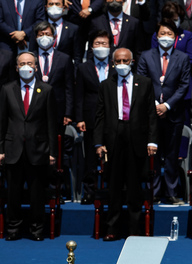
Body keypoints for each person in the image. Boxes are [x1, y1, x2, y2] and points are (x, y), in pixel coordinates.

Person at [93, 48, 158, 241]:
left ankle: (134, 229)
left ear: (132, 62)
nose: (122, 64)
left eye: (125, 60)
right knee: (113, 186)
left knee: (134, 186)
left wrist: (152, 140)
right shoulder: (106, 85)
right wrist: (98, 142)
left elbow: (151, 114)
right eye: (118, 61)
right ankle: (112, 228)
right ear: (113, 63)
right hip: (113, 138)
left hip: (136, 139)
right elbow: (100, 116)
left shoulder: (144, 83)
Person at [0, 51, 57, 241]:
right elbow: (2, 122)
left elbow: (51, 123)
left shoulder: (46, 90)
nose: (26, 67)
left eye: (29, 63)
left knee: (36, 194)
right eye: (22, 64)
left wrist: (52, 152)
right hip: (13, 149)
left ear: (36, 67)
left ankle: (36, 229)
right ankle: (13, 229)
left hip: (38, 150)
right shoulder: (7, 89)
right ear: (17, 68)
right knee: (13, 193)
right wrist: (1, 149)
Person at [138, 21, 191, 205]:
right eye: (162, 33)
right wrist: (154, 105)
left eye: (169, 33)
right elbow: (142, 81)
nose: (165, 37)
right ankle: (154, 191)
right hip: (150, 114)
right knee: (152, 155)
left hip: (173, 113)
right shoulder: (146, 56)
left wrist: (167, 105)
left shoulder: (182, 58)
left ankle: (171, 192)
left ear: (175, 38)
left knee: (171, 155)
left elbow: (184, 85)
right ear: (156, 36)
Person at [75, 30, 115, 205]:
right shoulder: (83, 68)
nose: (101, 47)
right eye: (97, 44)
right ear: (91, 47)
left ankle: (111, 188)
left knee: (113, 154)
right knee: (90, 157)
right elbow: (79, 95)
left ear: (110, 46)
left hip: (114, 117)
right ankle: (89, 191)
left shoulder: (117, 66)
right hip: (91, 117)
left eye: (104, 44)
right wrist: (80, 118)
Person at [32, 21, 73, 133]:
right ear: (36, 38)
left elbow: (69, 87)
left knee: (57, 144)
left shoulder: (64, 59)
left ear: (54, 37)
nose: (44, 37)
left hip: (58, 110)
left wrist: (68, 113)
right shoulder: (30, 58)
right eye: (41, 35)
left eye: (48, 34)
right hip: (34, 110)